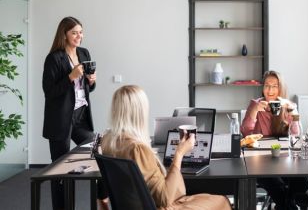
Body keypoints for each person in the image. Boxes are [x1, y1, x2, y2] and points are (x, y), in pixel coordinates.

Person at [101, 85, 232, 210]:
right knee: (221, 200)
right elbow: (165, 198)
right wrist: (179, 153)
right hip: (158, 206)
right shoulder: (138, 149)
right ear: (140, 112)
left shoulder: (108, 141)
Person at [42, 16, 108, 210]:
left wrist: (91, 81)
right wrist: (71, 77)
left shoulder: (83, 52)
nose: (79, 36)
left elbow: (88, 88)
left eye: (81, 32)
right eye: (74, 32)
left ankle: (102, 198)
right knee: (60, 170)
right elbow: (49, 91)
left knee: (100, 152)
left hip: (81, 116)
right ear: (64, 34)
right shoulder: (54, 58)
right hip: (60, 119)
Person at [240, 70, 308, 210]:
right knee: (274, 183)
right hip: (260, 161)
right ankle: (289, 204)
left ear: (280, 88)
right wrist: (254, 111)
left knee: (303, 180)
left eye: (274, 86)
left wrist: (293, 113)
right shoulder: (255, 104)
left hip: (284, 159)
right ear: (262, 87)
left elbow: (296, 135)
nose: (270, 90)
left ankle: (284, 205)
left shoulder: (288, 105)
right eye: (267, 85)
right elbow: (245, 132)